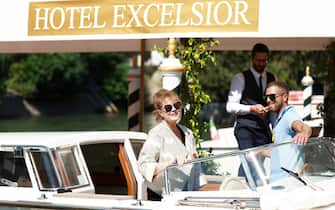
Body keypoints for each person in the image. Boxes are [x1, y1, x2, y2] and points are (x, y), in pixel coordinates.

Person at [226, 43, 275, 178]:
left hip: (263, 129)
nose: (261, 64)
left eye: (264, 60)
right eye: (258, 60)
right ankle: (244, 187)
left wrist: (275, 125)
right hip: (245, 128)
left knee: (259, 162)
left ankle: (246, 185)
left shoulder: (272, 78)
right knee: (249, 159)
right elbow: (230, 106)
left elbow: (273, 106)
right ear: (252, 59)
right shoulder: (240, 78)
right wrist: (251, 108)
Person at [138, 89, 198, 198]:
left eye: (177, 105)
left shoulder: (188, 133)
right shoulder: (156, 134)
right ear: (161, 112)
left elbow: (196, 167)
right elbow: (144, 165)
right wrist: (171, 162)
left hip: (187, 195)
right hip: (162, 197)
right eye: (168, 107)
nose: (174, 109)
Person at [265, 81, 312, 181]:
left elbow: (304, 127)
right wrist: (258, 153)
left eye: (272, 97)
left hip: (289, 184)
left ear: (285, 97)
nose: (268, 100)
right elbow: (281, 152)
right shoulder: (278, 119)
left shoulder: (289, 115)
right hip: (278, 183)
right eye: (266, 97)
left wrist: (304, 133)